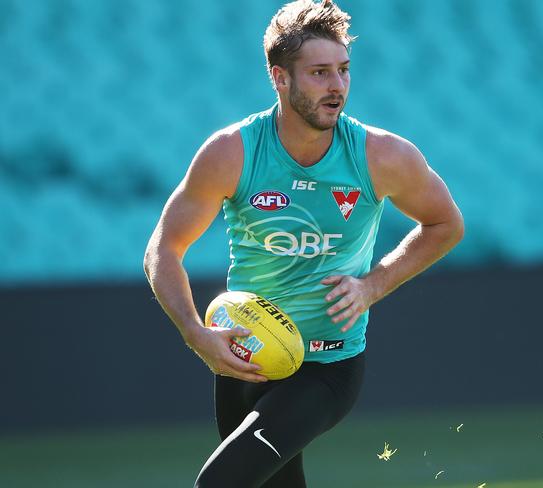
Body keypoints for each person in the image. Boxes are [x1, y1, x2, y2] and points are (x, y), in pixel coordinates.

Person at [144, 0, 464, 486]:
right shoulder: (231, 152)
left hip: (327, 366)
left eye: (343, 70)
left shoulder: (382, 156)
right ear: (280, 78)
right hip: (244, 359)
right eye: (319, 72)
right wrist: (194, 332)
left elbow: (446, 225)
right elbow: (163, 249)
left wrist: (372, 287)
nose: (337, 86)